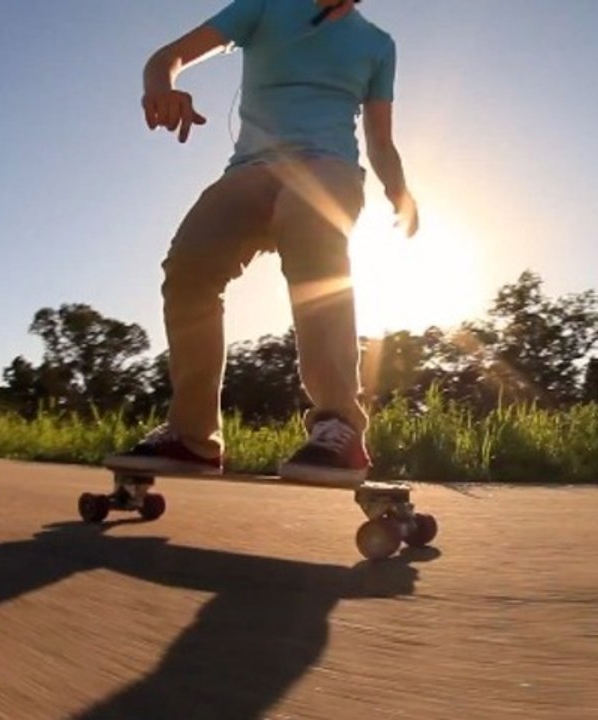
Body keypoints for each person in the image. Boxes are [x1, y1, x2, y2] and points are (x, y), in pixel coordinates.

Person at [107, 0, 419, 485]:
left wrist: (398, 189)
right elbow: (166, 57)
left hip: (327, 168)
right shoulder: (264, 8)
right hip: (251, 171)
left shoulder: (378, 45)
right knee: (189, 268)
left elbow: (380, 140)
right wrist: (162, 89)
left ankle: (339, 424)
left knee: (311, 230)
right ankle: (192, 438)